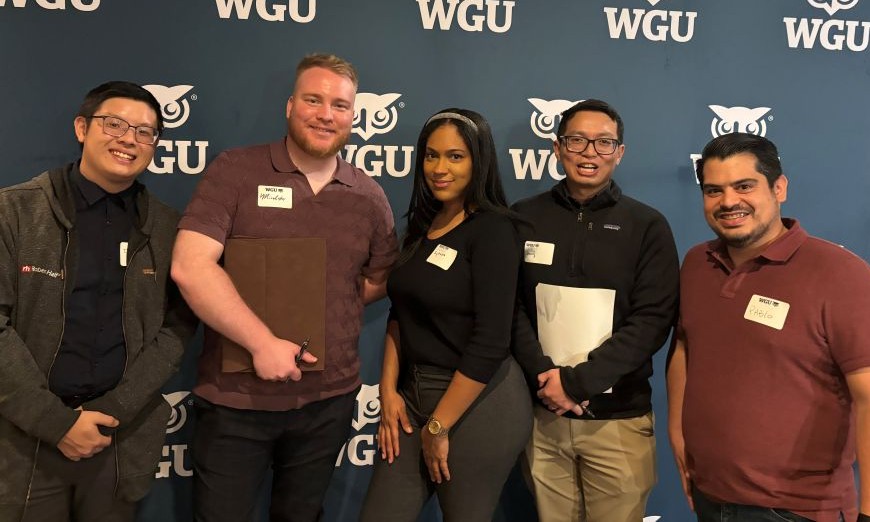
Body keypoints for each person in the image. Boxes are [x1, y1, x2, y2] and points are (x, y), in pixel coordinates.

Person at [170, 53, 398, 522]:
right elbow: (191, 267)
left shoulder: (369, 196)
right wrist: (262, 342)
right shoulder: (235, 171)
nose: (325, 114)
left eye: (339, 105)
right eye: (313, 100)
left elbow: (377, 280)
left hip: (327, 404)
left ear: (353, 116)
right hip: (235, 400)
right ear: (290, 106)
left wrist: (330, 307)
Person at [0, 81, 197, 522]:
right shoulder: (13, 211)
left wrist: (112, 410)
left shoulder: (166, 228)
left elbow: (178, 327)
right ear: (81, 128)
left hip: (117, 442)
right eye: (115, 124)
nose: (129, 139)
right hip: (23, 440)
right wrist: (57, 423)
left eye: (145, 132)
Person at [667, 132, 870, 522]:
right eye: (714, 190)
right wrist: (679, 436)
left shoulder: (840, 274)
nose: (728, 202)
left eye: (744, 186)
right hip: (711, 496)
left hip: (797, 510)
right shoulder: (697, 264)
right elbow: (686, 347)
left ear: (779, 188)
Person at [359, 108, 532, 522]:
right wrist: (387, 392)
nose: (440, 168)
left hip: (478, 403)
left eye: (455, 157)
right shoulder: (424, 223)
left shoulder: (494, 230)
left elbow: (491, 341)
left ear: (479, 160)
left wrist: (439, 427)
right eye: (431, 156)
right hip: (411, 397)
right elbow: (400, 314)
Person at [511, 99, 679, 522]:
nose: (590, 152)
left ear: (620, 152)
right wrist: (547, 381)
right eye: (577, 140)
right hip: (542, 415)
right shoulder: (522, 218)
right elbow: (509, 307)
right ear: (557, 147)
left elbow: (652, 320)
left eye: (604, 143)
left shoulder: (647, 225)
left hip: (617, 422)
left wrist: (578, 382)